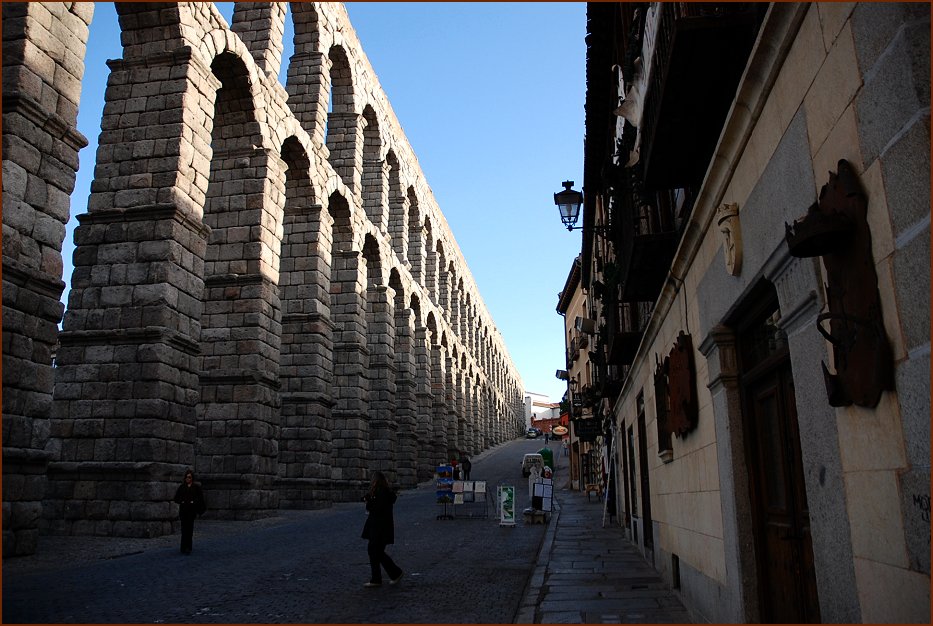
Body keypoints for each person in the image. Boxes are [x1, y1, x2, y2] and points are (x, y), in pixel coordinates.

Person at [361, 471, 404, 587]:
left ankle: (389, 575)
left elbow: (376, 509)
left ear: (376, 481)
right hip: (381, 528)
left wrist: (369, 501)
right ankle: (386, 576)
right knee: (375, 551)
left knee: (375, 551)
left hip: (379, 528)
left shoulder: (381, 493)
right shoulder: (383, 492)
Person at [173, 469, 205, 555]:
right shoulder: (182, 487)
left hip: (191, 512)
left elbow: (200, 498)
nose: (188, 479)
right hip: (183, 511)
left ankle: (188, 547)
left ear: (192, 478)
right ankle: (183, 547)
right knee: (184, 530)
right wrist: (182, 501)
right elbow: (176, 498)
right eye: (187, 477)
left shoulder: (196, 488)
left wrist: (194, 502)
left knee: (189, 530)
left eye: (189, 477)